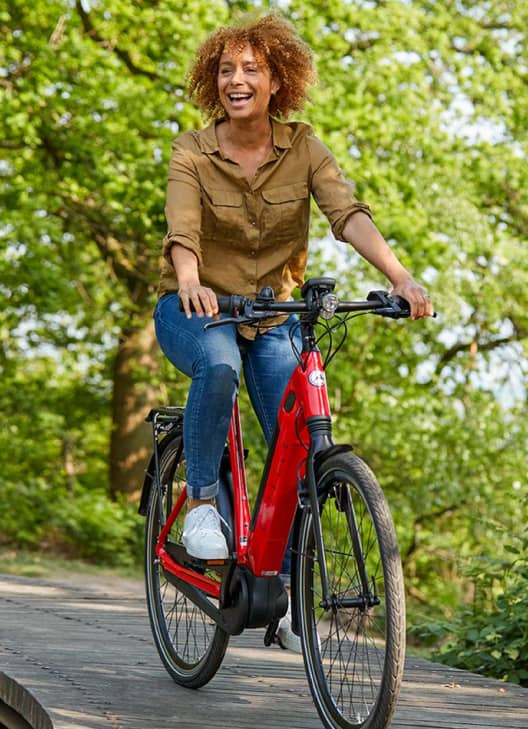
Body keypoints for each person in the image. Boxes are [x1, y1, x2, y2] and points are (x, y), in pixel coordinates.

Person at [154, 13, 434, 651]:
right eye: (226, 70)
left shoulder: (304, 147)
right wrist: (192, 278)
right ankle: (201, 503)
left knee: (298, 440)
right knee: (218, 364)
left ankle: (285, 579)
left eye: (251, 69)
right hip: (194, 308)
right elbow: (182, 226)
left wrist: (401, 278)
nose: (237, 80)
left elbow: (347, 213)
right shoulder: (192, 150)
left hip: (271, 314)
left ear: (278, 80)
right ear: (212, 82)